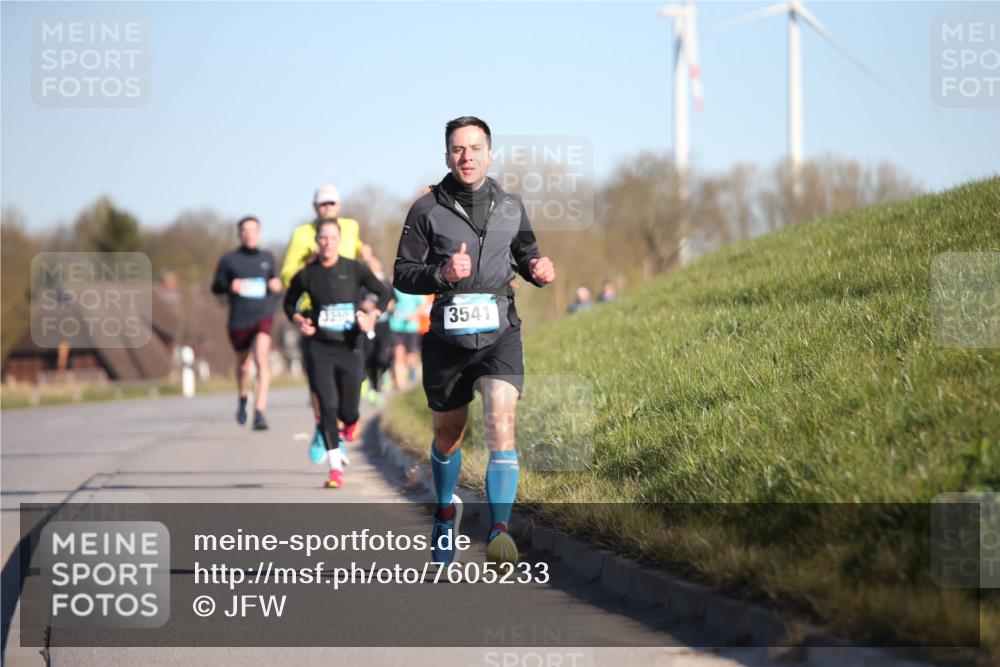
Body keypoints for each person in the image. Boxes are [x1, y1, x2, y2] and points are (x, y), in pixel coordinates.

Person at [393, 116, 556, 567]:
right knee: (449, 436)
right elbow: (402, 274)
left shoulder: (511, 205)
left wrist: (539, 270)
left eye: (476, 148)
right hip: (447, 335)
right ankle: (446, 515)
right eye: (458, 149)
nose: (467, 156)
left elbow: (527, 255)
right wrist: (441, 273)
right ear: (447, 156)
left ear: (490, 153)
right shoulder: (425, 210)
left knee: (502, 423)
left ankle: (500, 531)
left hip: (500, 332)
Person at [284, 219, 391, 488]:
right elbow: (288, 302)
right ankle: (334, 470)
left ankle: (351, 423)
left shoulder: (354, 268)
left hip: (350, 347)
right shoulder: (308, 274)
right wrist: (299, 320)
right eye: (323, 238)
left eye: (333, 238)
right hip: (320, 348)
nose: (327, 242)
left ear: (339, 241)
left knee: (349, 411)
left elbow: (384, 292)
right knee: (328, 408)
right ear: (317, 242)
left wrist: (372, 316)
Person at [281, 186, 366, 464]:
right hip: (313, 314)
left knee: (349, 382)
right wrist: (309, 264)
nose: (327, 207)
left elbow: (355, 262)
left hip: (346, 312)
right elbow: (287, 275)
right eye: (322, 204)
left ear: (339, 205)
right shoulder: (302, 234)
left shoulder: (351, 227)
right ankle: (326, 430)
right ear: (314, 207)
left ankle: (339, 424)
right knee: (321, 385)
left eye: (331, 203)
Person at [211, 216, 283, 430]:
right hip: (239, 320)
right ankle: (243, 397)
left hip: (263, 315)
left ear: (259, 233)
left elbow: (274, 282)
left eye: (253, 230)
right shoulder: (229, 260)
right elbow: (216, 287)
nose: (249, 234)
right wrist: (229, 285)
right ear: (240, 234)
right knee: (244, 366)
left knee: (261, 359)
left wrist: (276, 286)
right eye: (245, 230)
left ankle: (259, 412)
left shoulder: (268, 257)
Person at [388, 287, 424, 390]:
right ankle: (400, 387)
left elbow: (422, 304)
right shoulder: (394, 288)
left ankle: (414, 372)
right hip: (396, 325)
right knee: (398, 354)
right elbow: (388, 302)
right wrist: (390, 306)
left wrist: (414, 314)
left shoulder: (415, 288)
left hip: (410, 327)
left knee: (410, 357)